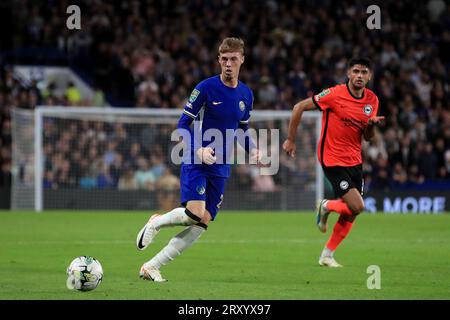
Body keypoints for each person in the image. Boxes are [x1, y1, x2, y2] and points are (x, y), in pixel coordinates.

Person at [136, 38, 261, 282]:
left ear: (242, 60)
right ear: (218, 60)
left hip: (222, 167)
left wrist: (253, 149)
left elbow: (242, 128)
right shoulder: (205, 88)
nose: (228, 64)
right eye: (224, 59)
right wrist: (198, 149)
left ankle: (151, 266)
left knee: (203, 221)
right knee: (195, 212)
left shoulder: (246, 94)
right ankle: (157, 222)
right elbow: (182, 125)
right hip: (197, 161)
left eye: (233, 59)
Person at [283, 58, 384, 267]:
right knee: (358, 206)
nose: (359, 76)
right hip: (332, 158)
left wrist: (372, 125)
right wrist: (291, 139)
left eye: (364, 72)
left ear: (369, 76)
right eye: (356, 71)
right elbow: (299, 107)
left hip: (355, 160)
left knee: (353, 212)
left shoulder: (372, 101)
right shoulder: (334, 94)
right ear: (348, 73)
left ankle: (327, 255)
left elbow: (367, 137)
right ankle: (326, 205)